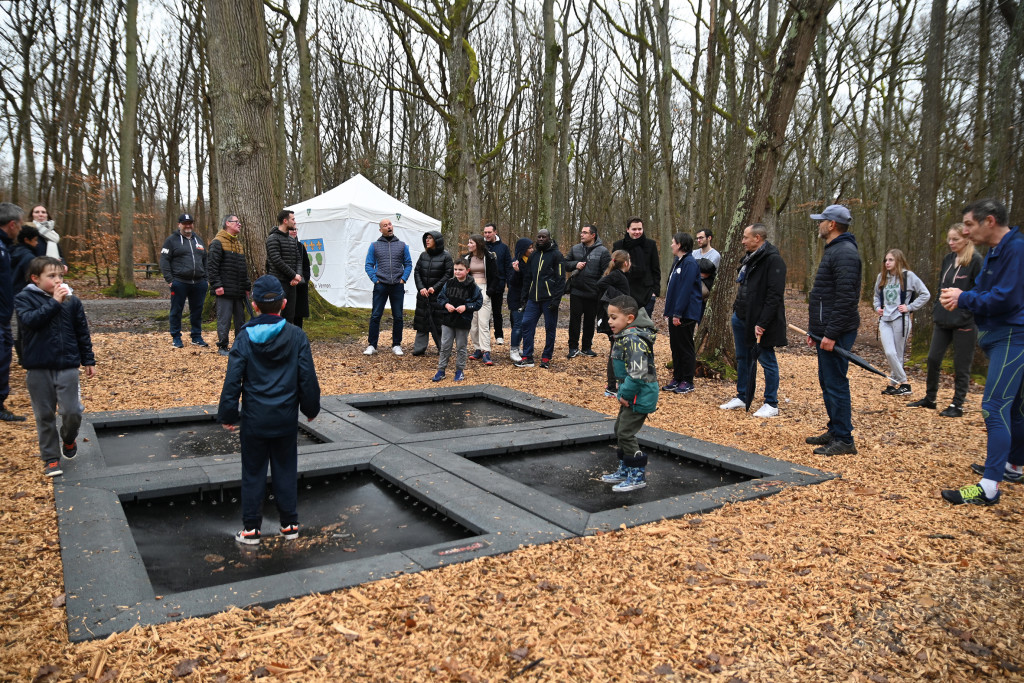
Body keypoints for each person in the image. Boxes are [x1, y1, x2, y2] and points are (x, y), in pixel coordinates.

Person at [218, 275, 321, 544]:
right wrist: (311, 407)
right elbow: (306, 376)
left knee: (252, 471)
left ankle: (251, 528)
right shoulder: (296, 335)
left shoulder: (244, 337)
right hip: (285, 418)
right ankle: (289, 524)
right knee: (286, 469)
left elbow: (233, 378)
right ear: (284, 304)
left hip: (254, 418)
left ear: (254, 305)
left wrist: (229, 413)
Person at [938, 198, 1024, 506]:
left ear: (990, 221)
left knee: (994, 407)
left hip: (1013, 338)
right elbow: (991, 293)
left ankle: (989, 487)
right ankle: (1013, 465)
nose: (965, 231)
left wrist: (965, 298)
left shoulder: (1016, 250)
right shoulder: (997, 252)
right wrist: (967, 297)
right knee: (1013, 408)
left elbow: (1005, 298)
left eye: (970, 225)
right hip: (1002, 337)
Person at [14, 256, 95, 477]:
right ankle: (51, 458)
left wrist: (88, 359)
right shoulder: (24, 299)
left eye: (60, 275)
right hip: (38, 367)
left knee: (71, 411)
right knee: (44, 415)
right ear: (35, 279)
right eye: (51, 276)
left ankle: (68, 438)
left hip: (67, 364)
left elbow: (82, 331)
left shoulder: (72, 301)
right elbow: (30, 322)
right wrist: (54, 303)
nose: (58, 280)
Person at [804, 204, 862, 456]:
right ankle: (835, 428)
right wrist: (815, 330)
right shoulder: (834, 250)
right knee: (827, 381)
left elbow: (845, 299)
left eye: (821, 220)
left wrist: (831, 334)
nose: (818, 224)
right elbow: (824, 296)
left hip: (836, 331)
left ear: (832, 225)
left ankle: (845, 440)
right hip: (825, 329)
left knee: (836, 382)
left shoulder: (845, 253)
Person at [909, 224, 983, 417]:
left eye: (955, 239)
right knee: (933, 358)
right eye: (949, 239)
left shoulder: (976, 261)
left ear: (966, 239)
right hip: (943, 319)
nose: (951, 243)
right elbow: (941, 284)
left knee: (961, 364)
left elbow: (980, 291)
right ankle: (930, 398)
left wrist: (967, 311)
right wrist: (936, 308)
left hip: (965, 321)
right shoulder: (948, 259)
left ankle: (957, 404)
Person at [719, 223, 788, 417]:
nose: (742, 241)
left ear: (757, 238)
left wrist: (762, 323)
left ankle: (771, 403)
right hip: (741, 317)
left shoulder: (773, 260)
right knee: (743, 359)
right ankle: (743, 396)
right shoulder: (749, 259)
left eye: (746, 237)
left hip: (760, 322)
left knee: (767, 360)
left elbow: (774, 296)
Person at [600, 295, 658, 492]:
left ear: (630, 318)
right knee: (620, 429)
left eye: (614, 317)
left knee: (625, 432)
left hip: (639, 393)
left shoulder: (634, 340)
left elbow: (638, 372)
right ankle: (625, 470)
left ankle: (637, 475)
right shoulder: (627, 336)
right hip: (633, 392)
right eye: (609, 317)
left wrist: (623, 394)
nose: (609, 321)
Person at [873, 248, 931, 396]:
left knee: (897, 354)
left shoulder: (908, 276)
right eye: (886, 260)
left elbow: (925, 294)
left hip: (901, 319)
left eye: (891, 260)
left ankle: (893, 384)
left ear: (898, 260)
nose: (887, 263)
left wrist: (910, 307)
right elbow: (876, 296)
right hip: (885, 320)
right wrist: (877, 307)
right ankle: (904, 383)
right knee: (890, 352)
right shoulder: (882, 277)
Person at [515, 229, 566, 369]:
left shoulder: (556, 255)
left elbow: (561, 279)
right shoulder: (534, 255)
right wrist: (524, 297)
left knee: (550, 328)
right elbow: (528, 277)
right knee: (526, 324)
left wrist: (556, 300)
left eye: (544, 237)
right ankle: (527, 356)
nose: (541, 239)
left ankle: (546, 357)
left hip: (549, 299)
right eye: (539, 237)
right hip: (533, 299)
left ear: (549, 238)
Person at [159, 213, 209, 348]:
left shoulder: (198, 240)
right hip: (179, 282)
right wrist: (170, 280)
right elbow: (164, 260)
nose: (188, 226)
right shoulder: (171, 240)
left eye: (190, 223)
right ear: (179, 224)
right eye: (185, 223)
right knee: (176, 310)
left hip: (199, 282)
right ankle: (176, 337)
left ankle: (196, 336)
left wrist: (206, 279)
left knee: (197, 310)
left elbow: (205, 259)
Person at [364, 217, 412, 355]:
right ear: (381, 229)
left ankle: (396, 344)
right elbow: (368, 265)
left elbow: (408, 263)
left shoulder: (402, 245)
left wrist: (403, 279)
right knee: (375, 315)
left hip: (397, 285)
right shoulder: (374, 246)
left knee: (398, 316)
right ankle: (372, 345)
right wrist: (375, 279)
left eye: (390, 224)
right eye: (385, 225)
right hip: (381, 285)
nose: (389, 227)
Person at [661, 233, 702, 395]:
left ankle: (687, 380)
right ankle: (677, 378)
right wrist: (669, 312)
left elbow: (685, 290)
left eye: (673, 243)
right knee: (675, 346)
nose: (671, 245)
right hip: (675, 313)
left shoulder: (690, 263)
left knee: (685, 346)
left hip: (686, 314)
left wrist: (678, 313)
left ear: (680, 245)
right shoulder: (678, 262)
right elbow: (673, 289)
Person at [433, 260, 484, 382]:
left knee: (461, 346)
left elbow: (478, 302)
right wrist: (446, 305)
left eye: (460, 269)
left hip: (463, 321)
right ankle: (441, 370)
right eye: (455, 269)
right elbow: (440, 297)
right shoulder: (449, 283)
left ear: (467, 270)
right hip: (448, 320)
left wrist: (466, 307)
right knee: (445, 346)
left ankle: (459, 370)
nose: (457, 272)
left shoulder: (473, 286)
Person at [207, 214, 251, 356]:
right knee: (224, 320)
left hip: (238, 290)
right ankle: (222, 346)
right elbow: (212, 267)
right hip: (224, 290)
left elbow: (243, 268)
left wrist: (246, 286)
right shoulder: (217, 242)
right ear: (227, 223)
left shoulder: (238, 244)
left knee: (240, 320)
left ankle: (238, 346)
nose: (239, 224)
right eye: (236, 222)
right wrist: (217, 285)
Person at [565, 223, 611, 359]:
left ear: (593, 235)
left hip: (593, 293)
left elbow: (606, 272)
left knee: (590, 321)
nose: (582, 234)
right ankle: (573, 348)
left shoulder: (603, 251)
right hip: (576, 291)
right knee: (574, 320)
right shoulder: (575, 249)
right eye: (581, 232)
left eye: (585, 232)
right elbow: (565, 264)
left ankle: (586, 347)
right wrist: (575, 264)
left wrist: (599, 287)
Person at [0, 202, 27, 422]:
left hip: (4, 313)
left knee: (4, 357)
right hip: (2, 314)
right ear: (12, 225)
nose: (20, 229)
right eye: (19, 225)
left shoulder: (5, 247)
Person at [597, 250, 634, 397]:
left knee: (617, 351)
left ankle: (615, 383)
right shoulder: (617, 275)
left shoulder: (620, 276)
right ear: (626, 263)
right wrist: (619, 297)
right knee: (615, 352)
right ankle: (612, 386)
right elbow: (600, 284)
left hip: (619, 318)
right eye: (629, 260)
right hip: (616, 321)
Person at [412, 231, 453, 355]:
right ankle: (419, 348)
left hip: (439, 296)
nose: (427, 240)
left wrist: (435, 288)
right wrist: (421, 288)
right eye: (426, 238)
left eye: (430, 238)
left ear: (437, 240)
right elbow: (417, 272)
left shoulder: (446, 256)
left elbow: (448, 274)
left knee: (439, 323)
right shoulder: (423, 255)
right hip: (423, 295)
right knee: (421, 322)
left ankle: (443, 349)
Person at [613, 217, 660, 318]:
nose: (637, 232)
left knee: (644, 328)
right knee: (625, 327)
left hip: (647, 292)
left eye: (640, 229)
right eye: (634, 229)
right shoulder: (618, 245)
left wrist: (655, 292)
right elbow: (614, 270)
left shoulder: (650, 244)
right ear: (627, 229)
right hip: (625, 291)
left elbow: (655, 269)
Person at [464, 234, 499, 365]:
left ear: (478, 244)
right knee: (473, 324)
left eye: (471, 243)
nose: (468, 245)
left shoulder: (489, 257)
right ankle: (477, 348)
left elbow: (496, 276)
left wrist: (489, 292)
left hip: (484, 289)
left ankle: (486, 351)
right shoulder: (467, 258)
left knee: (483, 323)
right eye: (468, 242)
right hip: (471, 290)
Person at [265, 210, 303, 324]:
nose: (295, 222)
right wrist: (294, 275)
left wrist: (298, 276)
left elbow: (298, 259)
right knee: (276, 316)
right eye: (293, 219)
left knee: (290, 316)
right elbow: (277, 260)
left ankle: (287, 340)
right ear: (285, 221)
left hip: (292, 284)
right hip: (278, 283)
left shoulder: (292, 240)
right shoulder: (272, 238)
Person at [483, 223, 513, 346]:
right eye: (485, 232)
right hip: (483, 284)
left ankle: (499, 335)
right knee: (483, 312)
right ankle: (484, 336)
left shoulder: (503, 248)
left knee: (497, 312)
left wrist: (507, 283)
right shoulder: (481, 246)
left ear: (495, 232)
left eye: (489, 232)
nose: (487, 235)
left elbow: (508, 266)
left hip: (498, 285)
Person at [506, 237, 534, 363]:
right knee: (517, 325)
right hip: (516, 298)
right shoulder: (515, 263)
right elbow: (511, 282)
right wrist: (517, 272)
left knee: (524, 324)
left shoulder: (531, 261)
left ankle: (518, 346)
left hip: (528, 298)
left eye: (532, 247)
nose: (532, 250)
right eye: (529, 248)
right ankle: (514, 349)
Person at [289, 224, 311, 328]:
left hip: (300, 286)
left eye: (295, 229)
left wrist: (305, 279)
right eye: (291, 229)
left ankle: (298, 338)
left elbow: (306, 265)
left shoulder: (301, 246)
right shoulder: (281, 244)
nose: (294, 231)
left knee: (298, 316)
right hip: (287, 285)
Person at [11, 225, 42, 295]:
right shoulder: (29, 257)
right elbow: (31, 279)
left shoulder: (12, 251)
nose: (37, 243)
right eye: (35, 240)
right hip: (20, 292)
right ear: (26, 240)